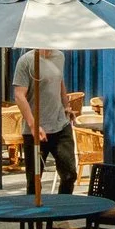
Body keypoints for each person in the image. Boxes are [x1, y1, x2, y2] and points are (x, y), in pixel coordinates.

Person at [10, 46, 75, 194]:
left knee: (69, 174)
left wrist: (66, 106)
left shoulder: (60, 56)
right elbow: (19, 95)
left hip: (60, 124)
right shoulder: (25, 61)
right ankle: (33, 216)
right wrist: (33, 125)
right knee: (34, 181)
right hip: (35, 129)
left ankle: (61, 211)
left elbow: (59, 81)